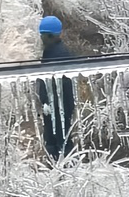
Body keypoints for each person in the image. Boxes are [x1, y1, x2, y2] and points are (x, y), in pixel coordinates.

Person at [36, 15, 76, 161]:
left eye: (46, 36)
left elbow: (59, 82)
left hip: (59, 104)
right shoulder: (52, 52)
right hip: (56, 104)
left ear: (54, 36)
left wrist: (47, 100)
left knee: (59, 139)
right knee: (58, 138)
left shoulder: (58, 54)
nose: (43, 39)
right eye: (42, 35)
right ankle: (62, 167)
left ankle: (64, 168)